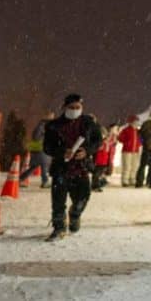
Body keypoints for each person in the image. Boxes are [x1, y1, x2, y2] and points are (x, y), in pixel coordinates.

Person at [42, 94, 102, 240]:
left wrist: (86, 151)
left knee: (82, 198)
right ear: (65, 107)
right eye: (71, 107)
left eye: (78, 107)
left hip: (81, 168)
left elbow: (98, 141)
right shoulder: (53, 125)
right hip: (61, 169)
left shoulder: (88, 123)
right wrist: (62, 152)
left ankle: (75, 215)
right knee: (58, 201)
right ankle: (59, 228)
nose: (75, 110)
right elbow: (47, 147)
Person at [22, 112, 55, 188]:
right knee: (45, 165)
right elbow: (36, 137)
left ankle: (21, 178)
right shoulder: (42, 126)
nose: (52, 118)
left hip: (41, 148)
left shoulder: (45, 125)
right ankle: (45, 181)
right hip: (41, 148)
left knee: (34, 166)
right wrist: (45, 135)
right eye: (51, 116)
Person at [118, 116, 142, 186]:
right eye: (135, 121)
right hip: (127, 151)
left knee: (135, 166)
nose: (136, 123)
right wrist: (127, 142)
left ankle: (132, 179)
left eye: (137, 121)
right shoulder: (126, 130)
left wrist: (140, 144)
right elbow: (120, 138)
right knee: (127, 166)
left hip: (136, 151)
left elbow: (141, 140)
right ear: (131, 122)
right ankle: (125, 180)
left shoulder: (138, 131)